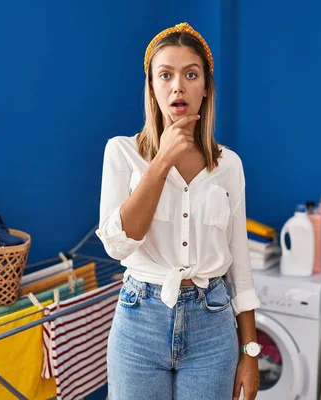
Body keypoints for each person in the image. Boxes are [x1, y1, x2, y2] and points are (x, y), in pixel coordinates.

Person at [97, 22, 262, 400]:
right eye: (165, 75)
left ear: (205, 88)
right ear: (152, 89)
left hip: (213, 324)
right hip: (139, 323)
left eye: (191, 74)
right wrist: (163, 159)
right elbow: (118, 246)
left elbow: (241, 266)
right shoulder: (121, 153)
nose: (178, 86)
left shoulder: (229, 166)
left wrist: (250, 352)